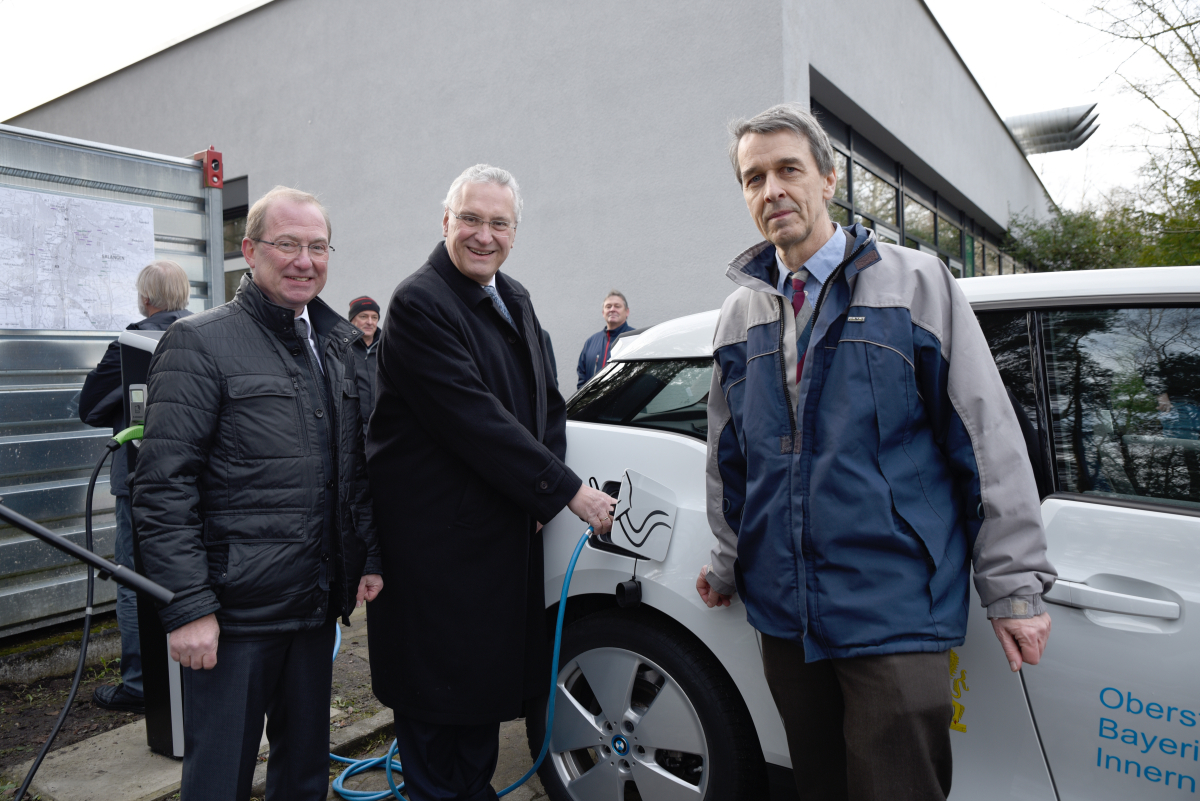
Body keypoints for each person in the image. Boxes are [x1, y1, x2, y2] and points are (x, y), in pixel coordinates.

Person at [695, 103, 1056, 801]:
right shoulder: (739, 313)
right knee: (819, 785)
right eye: (753, 177)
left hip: (893, 605)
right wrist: (725, 560)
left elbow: (984, 438)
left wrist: (1012, 586)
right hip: (785, 612)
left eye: (788, 169)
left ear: (827, 179)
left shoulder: (916, 284)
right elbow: (728, 457)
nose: (772, 190)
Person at [365, 164, 616, 801]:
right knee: (435, 712)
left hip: (494, 539)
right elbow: (473, 418)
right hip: (436, 550)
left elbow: (546, 406)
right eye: (470, 220)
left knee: (478, 707)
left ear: (514, 232)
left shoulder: (516, 296)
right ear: (446, 222)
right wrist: (565, 492)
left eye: (498, 223)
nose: (484, 235)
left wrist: (534, 495)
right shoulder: (420, 302)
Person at [131, 186, 383, 801]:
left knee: (302, 776)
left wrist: (367, 556)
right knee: (219, 779)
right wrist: (188, 607)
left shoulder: (338, 346)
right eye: (287, 245)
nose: (304, 260)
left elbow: (353, 468)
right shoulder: (200, 343)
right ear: (249, 251)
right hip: (234, 619)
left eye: (317, 247)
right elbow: (163, 488)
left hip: (314, 607)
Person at [78, 260, 192, 713]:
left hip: (138, 480)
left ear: (146, 299)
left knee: (133, 580)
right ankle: (192, 674)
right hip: (196, 477)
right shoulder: (209, 333)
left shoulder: (130, 343)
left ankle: (141, 684)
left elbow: (89, 408)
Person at [575, 290, 634, 389]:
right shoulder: (591, 342)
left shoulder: (635, 339)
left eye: (617, 306)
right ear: (603, 312)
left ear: (627, 312)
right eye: (608, 306)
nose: (612, 309)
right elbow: (582, 377)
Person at [348, 295, 380, 431]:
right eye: (363, 316)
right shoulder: (341, 349)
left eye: (374, 317)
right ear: (352, 319)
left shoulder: (388, 348)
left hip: (381, 428)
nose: (369, 322)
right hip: (351, 429)